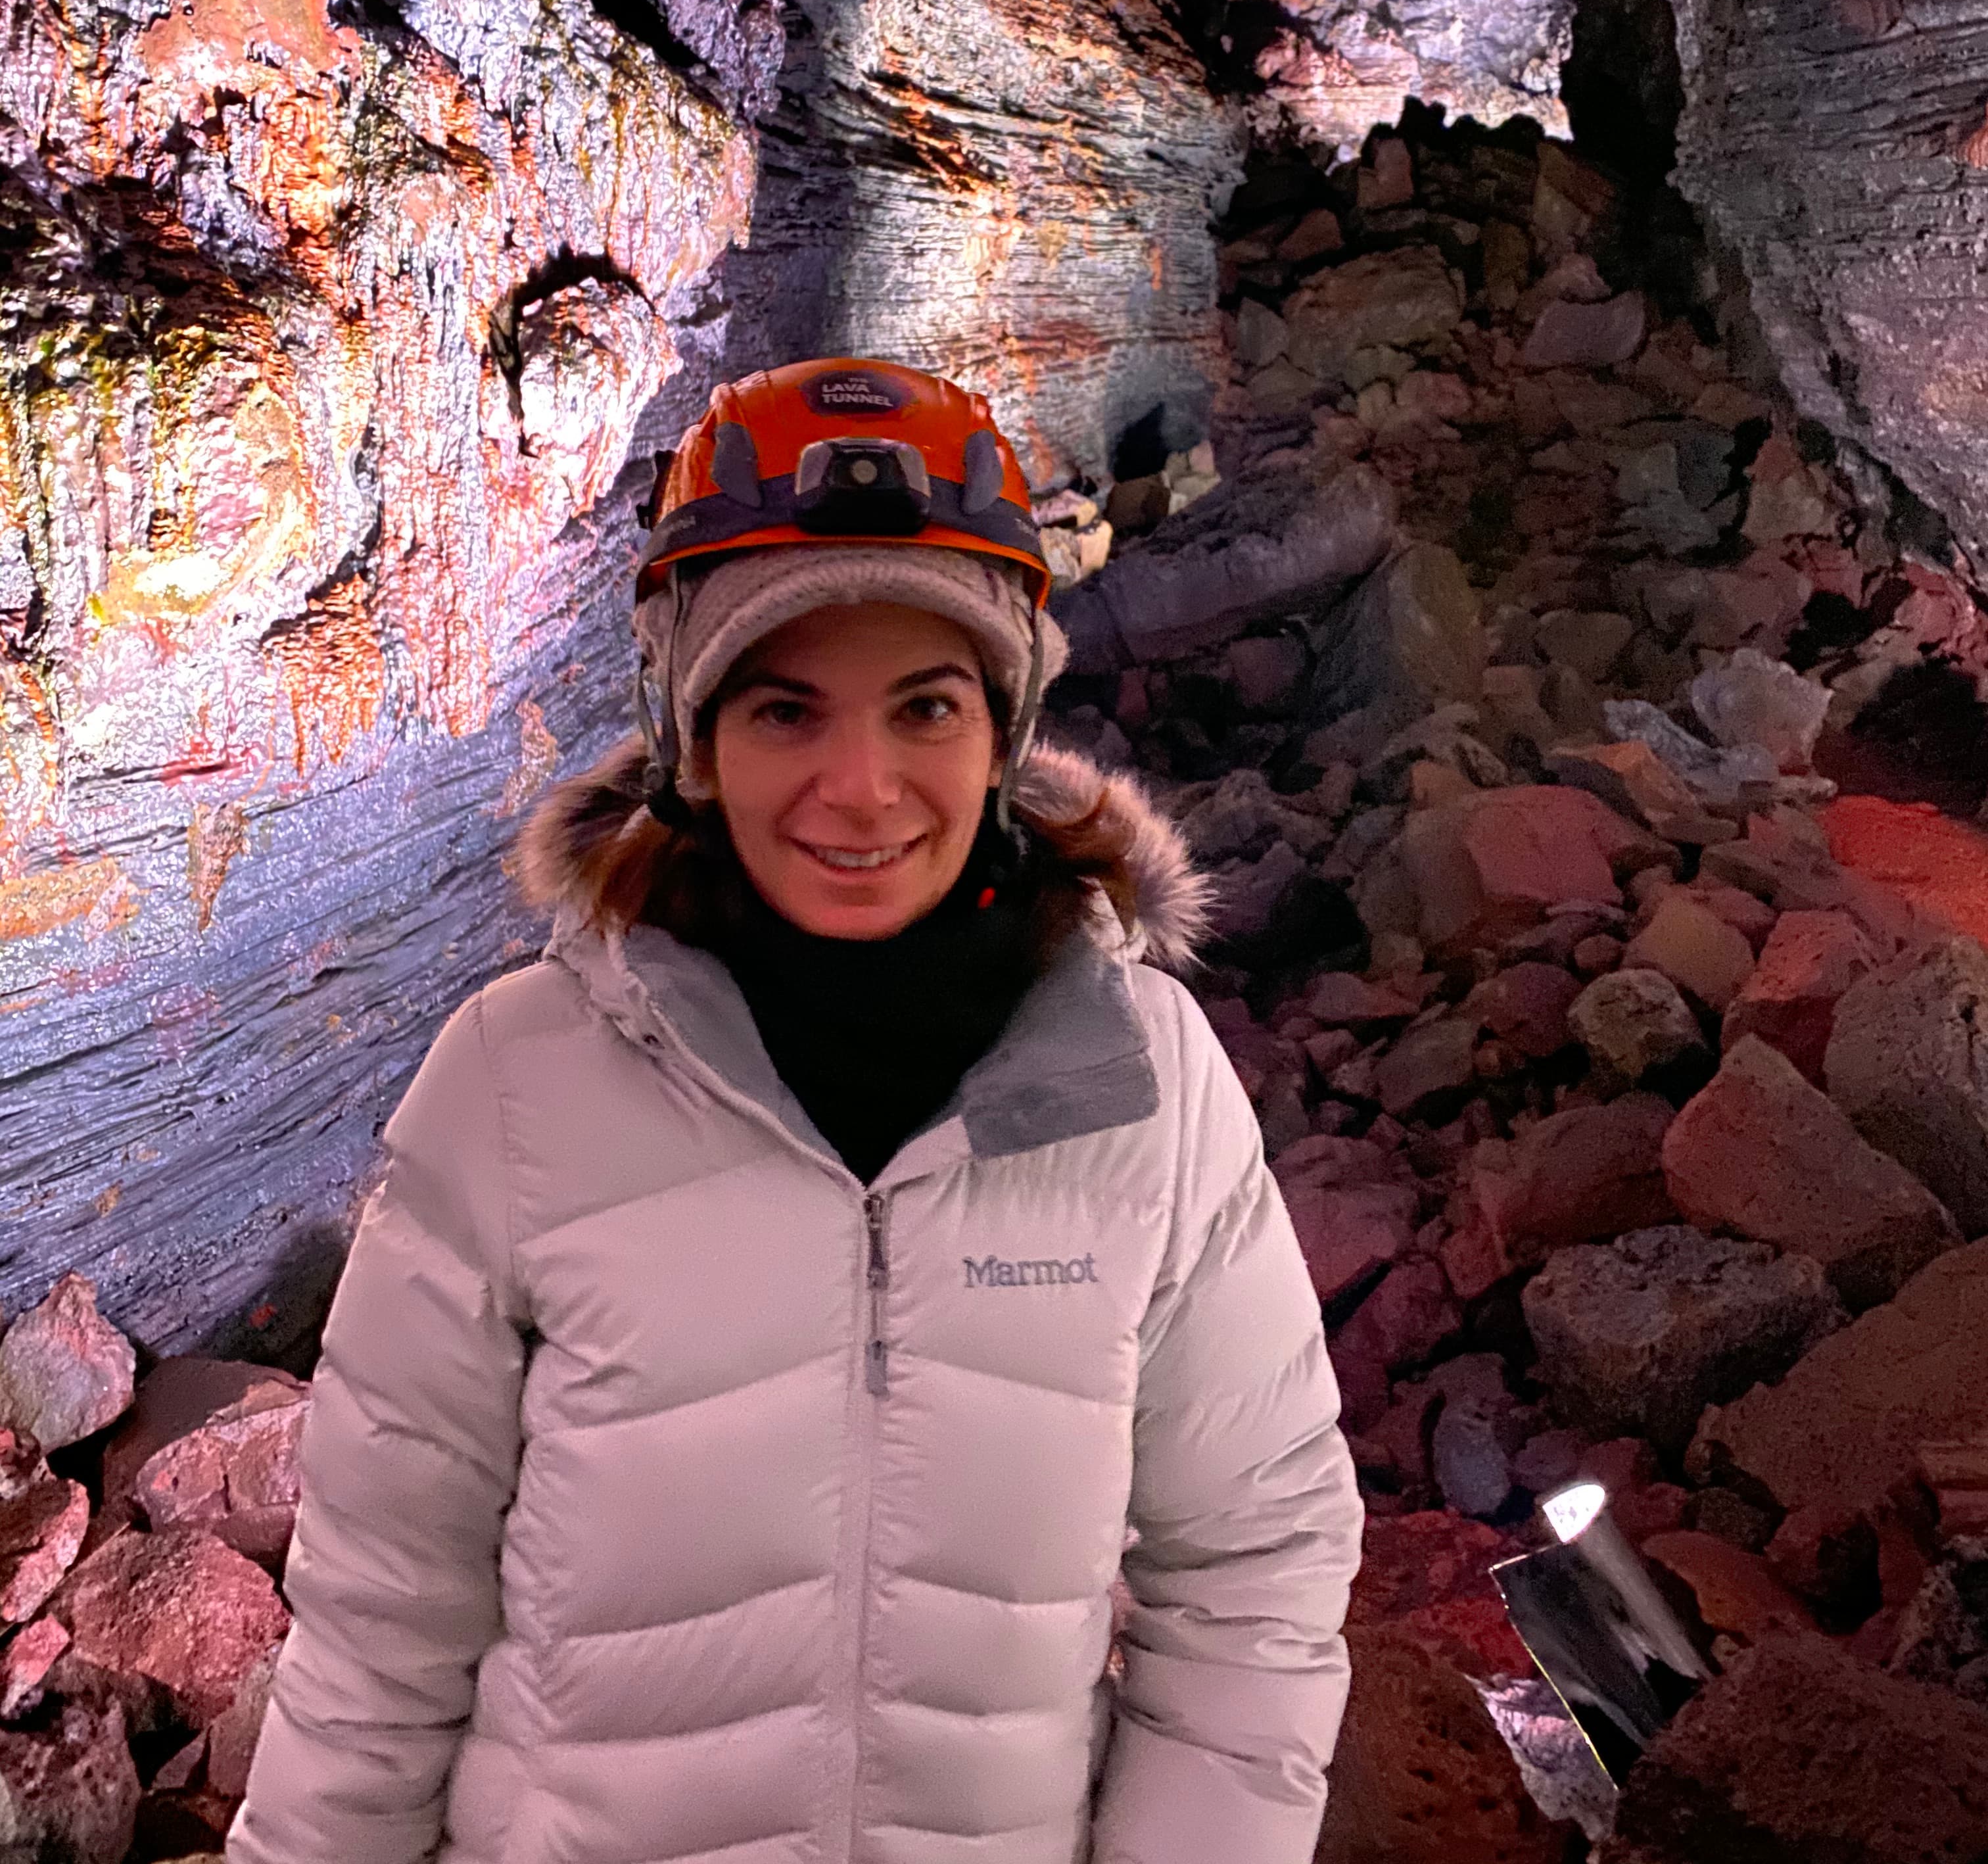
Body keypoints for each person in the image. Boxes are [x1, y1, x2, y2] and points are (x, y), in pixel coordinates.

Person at [226, 358, 1363, 1864]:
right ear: (692, 734)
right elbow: (380, 1632)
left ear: (1005, 727)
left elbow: (1254, 1584)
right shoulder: (516, 1087)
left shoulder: (1137, 1088)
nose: (861, 786)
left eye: (926, 705)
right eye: (784, 710)